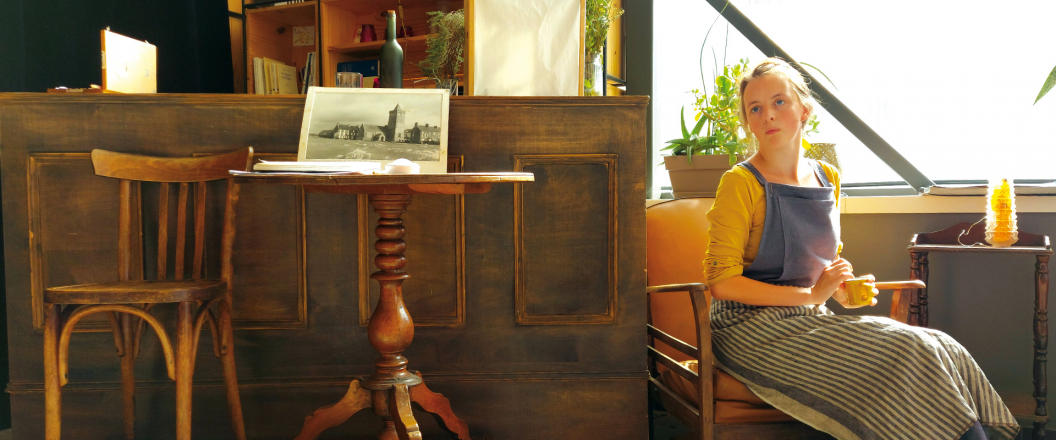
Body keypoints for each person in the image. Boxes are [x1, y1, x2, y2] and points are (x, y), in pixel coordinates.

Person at [704, 57, 1018, 440]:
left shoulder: (827, 177)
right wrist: (812, 295)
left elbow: (823, 260)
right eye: (755, 109)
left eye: (778, 102)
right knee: (909, 346)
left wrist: (840, 287)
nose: (767, 114)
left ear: (804, 110)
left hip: (806, 318)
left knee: (939, 344)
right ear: (749, 123)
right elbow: (722, 283)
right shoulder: (739, 182)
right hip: (748, 329)